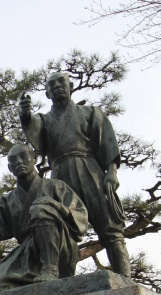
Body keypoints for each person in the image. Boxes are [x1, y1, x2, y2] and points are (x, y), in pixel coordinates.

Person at [18, 72, 131, 277]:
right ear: (47, 93)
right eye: (51, 85)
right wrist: (25, 116)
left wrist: (112, 172)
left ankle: (126, 280)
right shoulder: (45, 120)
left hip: (90, 170)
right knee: (60, 229)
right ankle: (61, 278)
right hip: (60, 177)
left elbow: (107, 143)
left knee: (110, 229)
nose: (57, 86)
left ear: (71, 86)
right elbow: (35, 131)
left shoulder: (90, 113)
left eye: (62, 82)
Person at [0, 143, 88, 294]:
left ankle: (50, 269)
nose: (19, 161)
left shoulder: (56, 186)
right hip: (28, 255)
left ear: (34, 159)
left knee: (39, 208)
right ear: (9, 168)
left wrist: (55, 207)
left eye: (24, 156)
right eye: (13, 160)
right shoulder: (8, 200)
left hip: (60, 247)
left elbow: (81, 217)